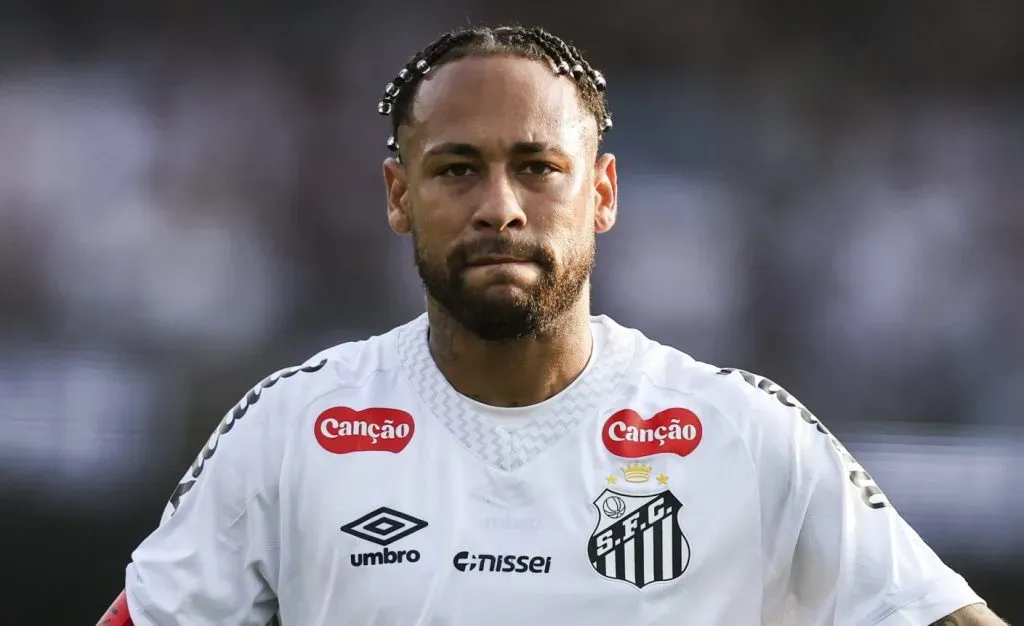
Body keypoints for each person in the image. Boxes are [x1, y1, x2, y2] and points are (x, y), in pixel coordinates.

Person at [98, 25, 1004, 626]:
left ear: (601, 192)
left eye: (538, 167)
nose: (501, 207)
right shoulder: (292, 430)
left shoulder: (743, 433)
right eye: (458, 170)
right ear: (398, 196)